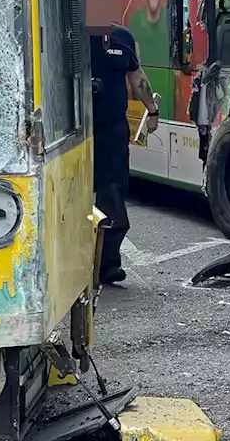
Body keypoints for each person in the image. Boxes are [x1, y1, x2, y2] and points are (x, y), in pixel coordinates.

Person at [90, 23, 159, 285]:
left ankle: (107, 264)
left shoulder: (122, 37)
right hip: (72, 131)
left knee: (113, 194)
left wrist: (151, 110)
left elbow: (137, 78)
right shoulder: (67, 28)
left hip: (111, 132)